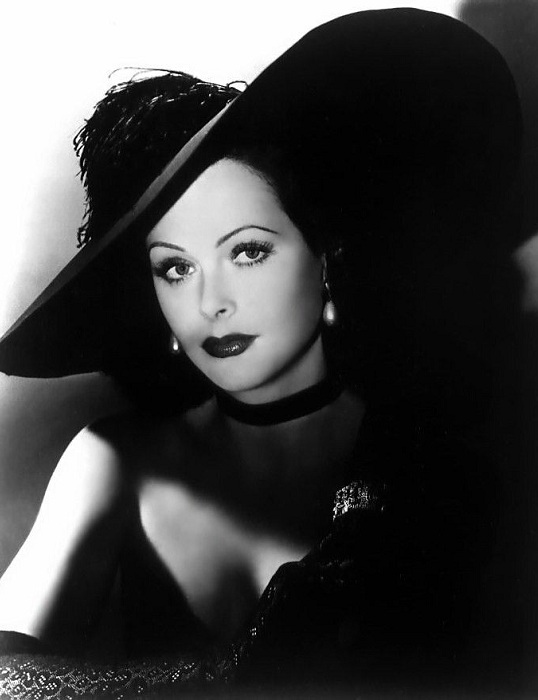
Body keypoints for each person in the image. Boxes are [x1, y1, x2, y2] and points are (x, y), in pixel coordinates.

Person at [0, 8, 528, 697]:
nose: (209, 302)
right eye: (175, 268)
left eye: (247, 251)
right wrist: (228, 675)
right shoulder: (118, 460)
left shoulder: (425, 460)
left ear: (325, 257)